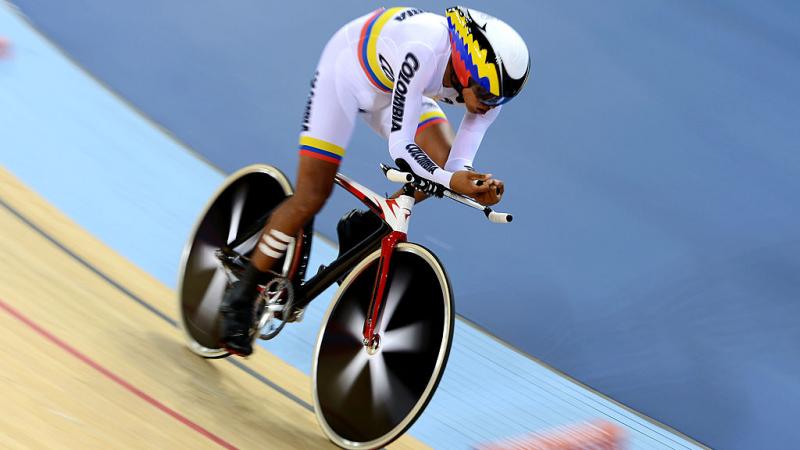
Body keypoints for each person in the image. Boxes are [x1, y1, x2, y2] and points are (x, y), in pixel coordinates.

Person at [220, 6, 531, 356]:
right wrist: (451, 180)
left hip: (395, 89)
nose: (489, 109)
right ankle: (241, 296)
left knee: (440, 166)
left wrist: (471, 183)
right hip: (345, 77)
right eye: (486, 97)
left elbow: (457, 163)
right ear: (463, 67)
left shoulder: (492, 86)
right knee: (312, 195)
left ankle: (367, 225)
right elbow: (402, 147)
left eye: (500, 101)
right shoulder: (424, 50)